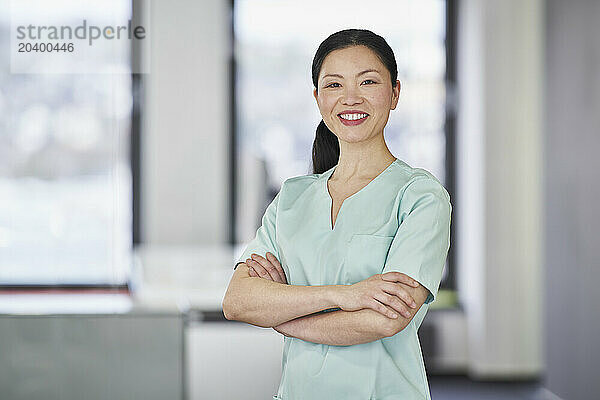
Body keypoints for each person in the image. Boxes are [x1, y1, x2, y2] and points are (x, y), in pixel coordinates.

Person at [222, 28, 452, 400]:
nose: (350, 98)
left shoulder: (420, 197)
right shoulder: (292, 199)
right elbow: (237, 302)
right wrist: (346, 295)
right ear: (317, 98)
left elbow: (385, 318)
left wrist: (282, 314)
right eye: (333, 85)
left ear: (395, 93)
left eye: (368, 81)